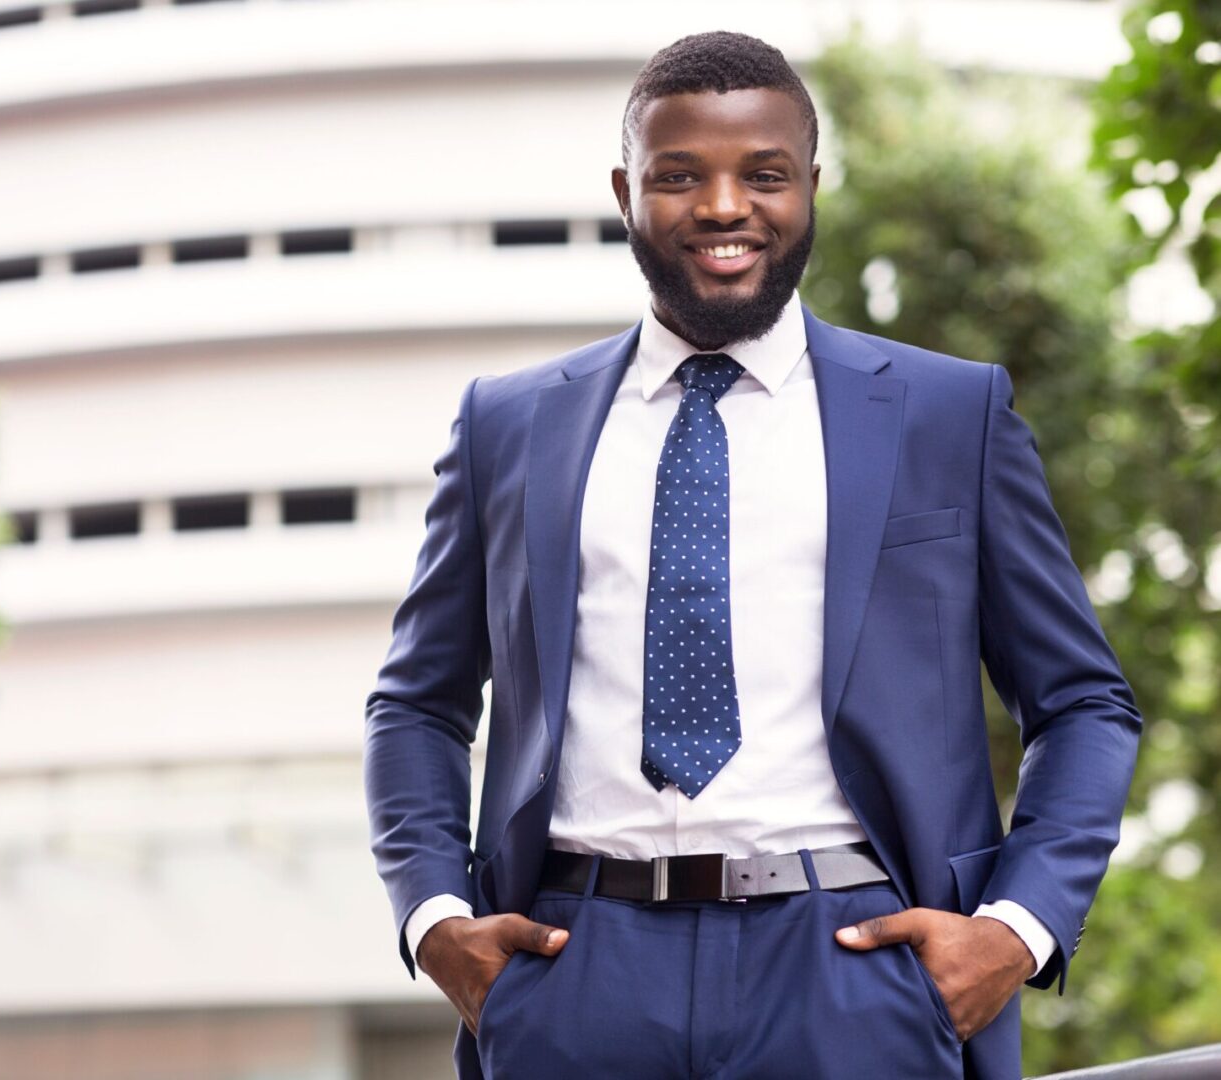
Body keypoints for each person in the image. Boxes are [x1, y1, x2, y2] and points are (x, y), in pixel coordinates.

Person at [362, 30, 1140, 1080]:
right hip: (573, 970)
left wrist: (1014, 929)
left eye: (764, 175)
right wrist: (436, 919)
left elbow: (1084, 703)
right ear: (625, 192)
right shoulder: (508, 426)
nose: (725, 206)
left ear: (810, 186)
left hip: (855, 967)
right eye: (679, 176)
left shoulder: (949, 414)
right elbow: (417, 703)